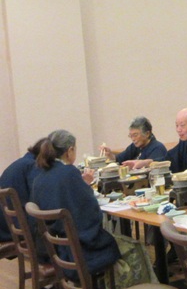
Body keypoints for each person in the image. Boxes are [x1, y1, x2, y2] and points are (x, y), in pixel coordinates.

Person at [30, 130, 121, 275]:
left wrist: (82, 185)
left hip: (51, 248)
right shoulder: (69, 172)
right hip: (78, 251)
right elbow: (90, 212)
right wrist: (86, 187)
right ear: (70, 150)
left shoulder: (40, 176)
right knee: (124, 245)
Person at [0, 137, 46, 242]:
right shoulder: (32, 165)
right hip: (18, 228)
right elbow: (38, 196)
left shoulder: (20, 163)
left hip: (5, 226)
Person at [98, 116, 168, 170]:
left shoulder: (158, 148)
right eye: (130, 136)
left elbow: (155, 169)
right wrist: (110, 155)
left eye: (135, 135)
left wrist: (144, 163)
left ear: (147, 134)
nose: (133, 139)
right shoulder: (135, 146)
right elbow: (119, 160)